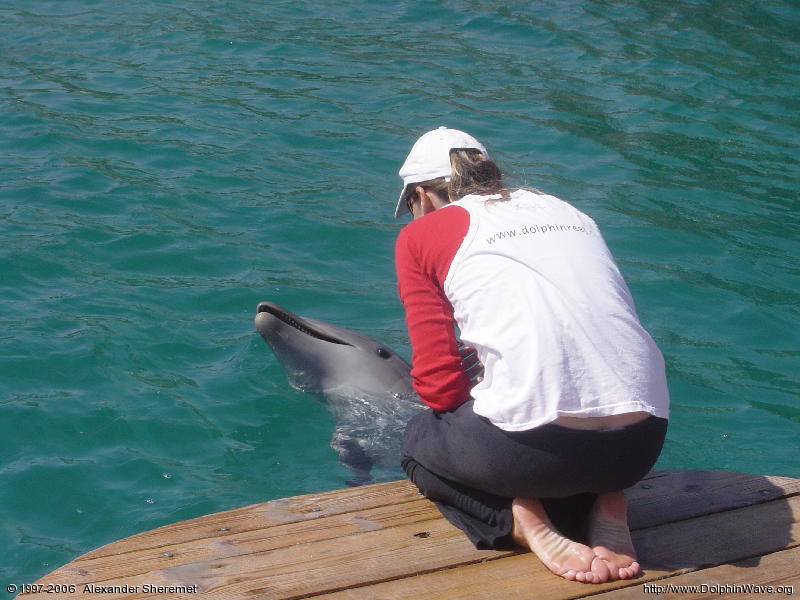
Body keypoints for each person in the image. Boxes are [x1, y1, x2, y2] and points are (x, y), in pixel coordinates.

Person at [392, 126, 670, 584]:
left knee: (418, 442)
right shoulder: (568, 211)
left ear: (421, 196)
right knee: (565, 427)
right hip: (640, 448)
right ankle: (605, 498)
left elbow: (439, 388)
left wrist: (472, 396)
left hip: (534, 458)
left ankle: (516, 522)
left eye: (411, 208)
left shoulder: (422, 235)